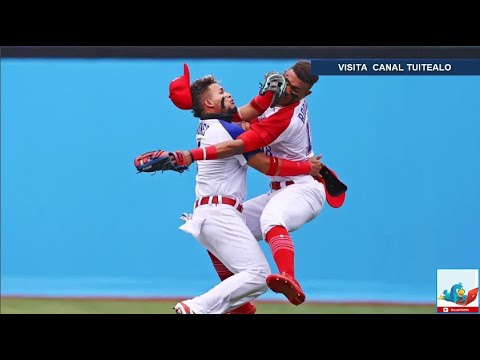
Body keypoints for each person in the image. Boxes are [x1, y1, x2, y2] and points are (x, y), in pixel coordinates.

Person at [171, 60, 342, 306]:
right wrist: (263, 99)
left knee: (271, 219)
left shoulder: (285, 117)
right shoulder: (238, 121)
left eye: (296, 90)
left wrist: (187, 155)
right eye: (288, 84)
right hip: (273, 192)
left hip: (303, 187)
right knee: (224, 237)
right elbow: (245, 113)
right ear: (282, 77)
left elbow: (261, 160)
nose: (289, 91)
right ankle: (229, 306)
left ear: (307, 94)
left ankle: (288, 277)